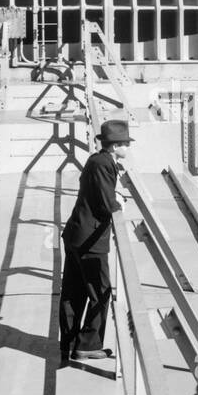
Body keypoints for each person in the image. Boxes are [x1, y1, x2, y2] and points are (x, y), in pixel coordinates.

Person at [58, 118, 132, 362]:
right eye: (124, 144)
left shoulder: (96, 160)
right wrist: (118, 202)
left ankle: (68, 343)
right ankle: (88, 344)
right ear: (114, 146)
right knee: (101, 292)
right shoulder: (104, 164)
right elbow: (104, 202)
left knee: (73, 292)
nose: (127, 148)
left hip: (76, 236)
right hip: (90, 240)